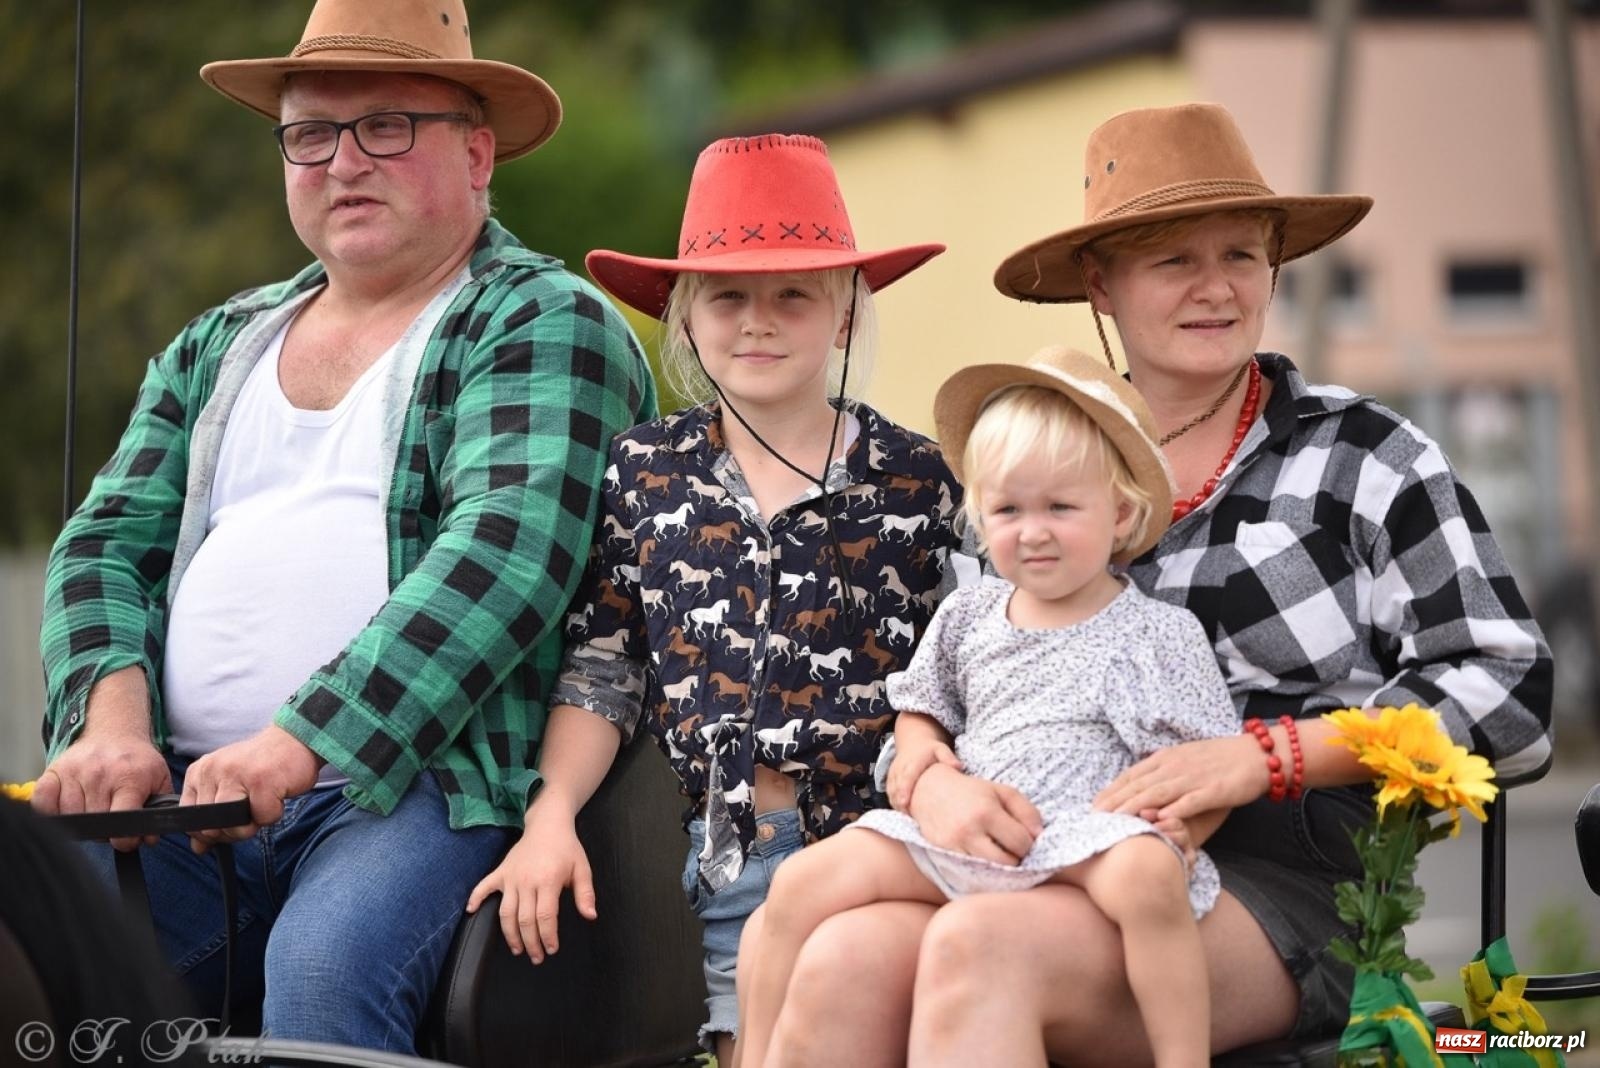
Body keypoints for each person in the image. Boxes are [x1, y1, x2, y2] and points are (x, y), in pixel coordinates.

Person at [761, 102, 1553, 1067]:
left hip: (1290, 874)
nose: (1214, 288)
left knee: (983, 951)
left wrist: (1269, 758)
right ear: (1101, 284)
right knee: (848, 953)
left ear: (1274, 268)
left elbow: (1510, 693)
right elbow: (949, 682)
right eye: (1175, 260)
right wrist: (930, 783)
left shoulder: (1360, 457)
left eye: (1241, 256)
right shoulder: (1027, 471)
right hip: (1046, 838)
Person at [32, 0, 656, 1054]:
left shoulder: (541, 319)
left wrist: (293, 744)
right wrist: (111, 728)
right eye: (311, 134)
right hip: (186, 802)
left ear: (477, 152)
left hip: (424, 793)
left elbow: (507, 555)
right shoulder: (218, 341)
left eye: (385, 126)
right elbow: (102, 547)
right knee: (26, 965)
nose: (342, 161)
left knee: (322, 976)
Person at [464, 132, 959, 1064]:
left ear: (845, 317)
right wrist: (552, 813)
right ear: (687, 318)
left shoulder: (919, 481)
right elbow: (604, 668)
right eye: (728, 295)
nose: (757, 321)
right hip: (732, 845)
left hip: (886, 846)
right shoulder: (647, 472)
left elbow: (965, 662)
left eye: (794, 295)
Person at [738, 346, 1239, 1068]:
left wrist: (1180, 832)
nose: (1031, 531)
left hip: (1083, 834)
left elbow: (1204, 762)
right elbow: (921, 704)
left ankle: (1181, 1055)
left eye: (1061, 507)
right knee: (799, 882)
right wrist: (919, 752)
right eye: (1007, 509)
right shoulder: (971, 615)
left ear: (1121, 511)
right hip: (962, 833)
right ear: (980, 514)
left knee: (1151, 876)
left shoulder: (1157, 632)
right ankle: (752, 1057)